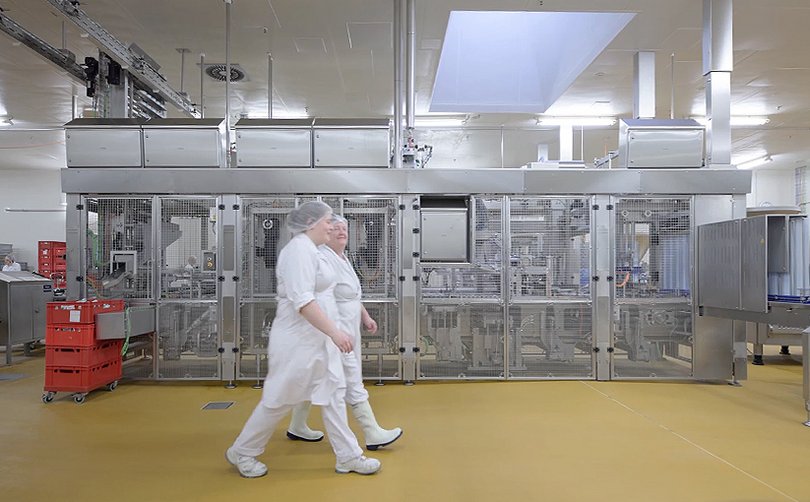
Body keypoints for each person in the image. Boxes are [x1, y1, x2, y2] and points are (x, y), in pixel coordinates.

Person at [226, 201, 381, 478]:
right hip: (298, 340)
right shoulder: (298, 251)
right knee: (279, 399)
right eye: (327, 221)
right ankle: (243, 451)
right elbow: (304, 301)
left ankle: (349, 456)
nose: (332, 226)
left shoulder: (313, 251)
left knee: (334, 394)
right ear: (311, 224)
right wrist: (335, 332)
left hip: (319, 339)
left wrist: (336, 329)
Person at [287, 215, 403, 450]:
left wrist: (365, 316)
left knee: (314, 378)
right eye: (335, 229)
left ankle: (297, 425)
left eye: (345, 228)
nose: (342, 232)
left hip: (348, 330)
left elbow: (350, 294)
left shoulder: (343, 258)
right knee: (351, 378)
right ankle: (372, 432)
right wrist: (333, 333)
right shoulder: (323, 260)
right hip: (334, 332)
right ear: (325, 233)